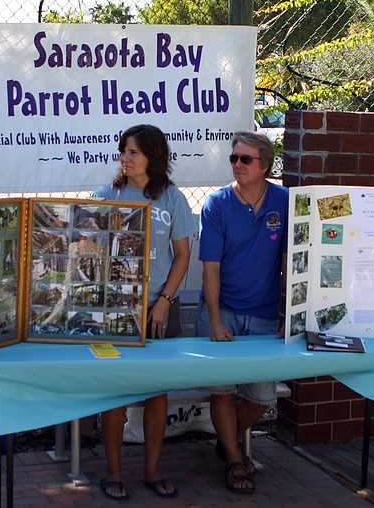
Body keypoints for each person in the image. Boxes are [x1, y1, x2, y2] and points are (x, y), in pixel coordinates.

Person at [92, 124, 196, 501]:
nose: (126, 157)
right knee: (116, 391)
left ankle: (152, 469)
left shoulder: (171, 198)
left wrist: (164, 301)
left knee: (157, 392)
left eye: (134, 151)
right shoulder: (107, 195)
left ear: (154, 156)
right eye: (123, 150)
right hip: (116, 306)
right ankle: (114, 471)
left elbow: (183, 255)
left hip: (159, 307)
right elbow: (89, 245)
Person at [194, 130, 288, 495]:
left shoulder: (284, 200)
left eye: (245, 159)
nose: (237, 165)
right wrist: (214, 320)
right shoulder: (217, 204)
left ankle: (227, 439)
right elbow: (210, 267)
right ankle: (235, 460)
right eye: (233, 158)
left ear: (264, 165)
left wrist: (287, 312)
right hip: (224, 310)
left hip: (264, 314)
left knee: (261, 396)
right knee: (221, 390)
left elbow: (289, 261)